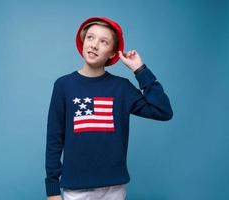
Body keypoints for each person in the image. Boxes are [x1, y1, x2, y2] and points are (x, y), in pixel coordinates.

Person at [44, 17, 173, 200]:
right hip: (77, 189)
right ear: (83, 42)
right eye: (90, 37)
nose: (94, 45)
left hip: (114, 188)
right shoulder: (63, 86)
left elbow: (163, 111)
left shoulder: (122, 88)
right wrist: (52, 189)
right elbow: (54, 139)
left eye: (103, 41)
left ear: (113, 53)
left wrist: (140, 70)